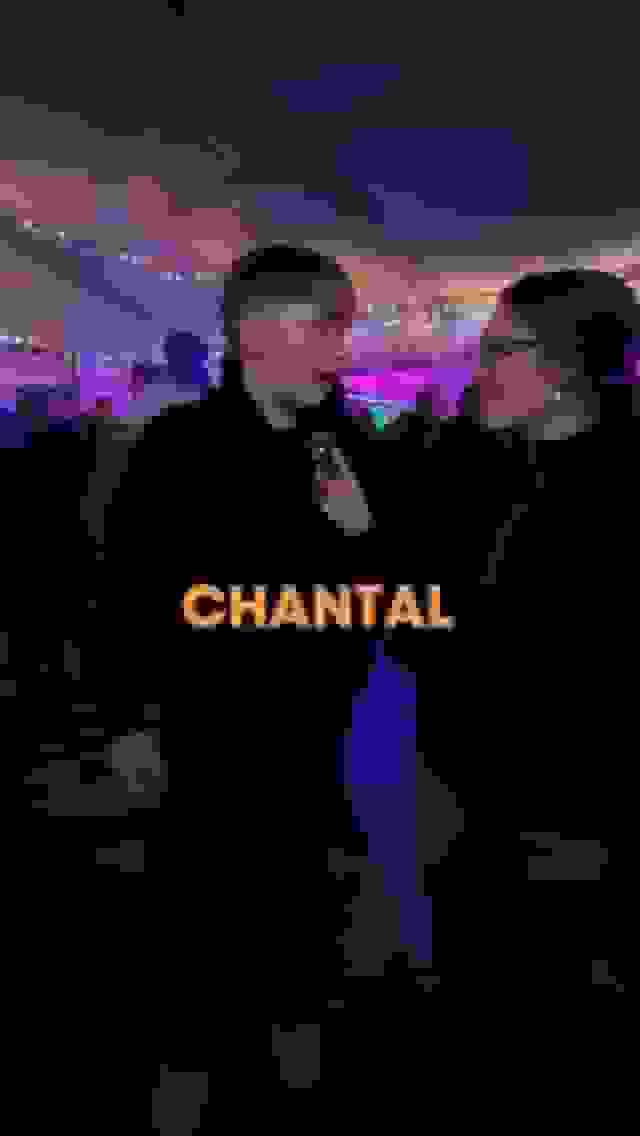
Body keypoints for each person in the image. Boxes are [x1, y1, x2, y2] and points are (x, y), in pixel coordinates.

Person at [79, 244, 432, 1034]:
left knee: (306, 905)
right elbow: (127, 593)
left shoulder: (351, 445)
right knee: (208, 907)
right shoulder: (180, 448)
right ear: (254, 331)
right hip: (209, 728)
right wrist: (127, 720)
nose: (343, 347)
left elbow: (395, 594)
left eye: (345, 326)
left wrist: (365, 538)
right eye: (326, 325)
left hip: (329, 726)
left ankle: (293, 1018)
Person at [389, 268, 639, 992]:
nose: (481, 369)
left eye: (500, 350)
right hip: (476, 804)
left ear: (564, 366)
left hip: (575, 819)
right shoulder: (484, 469)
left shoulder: (612, 490)